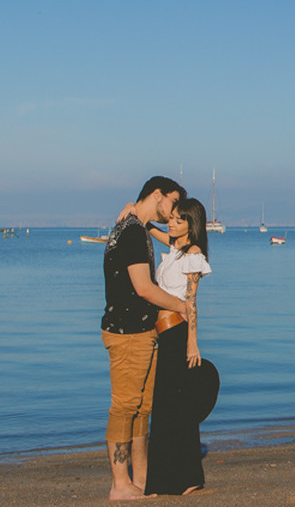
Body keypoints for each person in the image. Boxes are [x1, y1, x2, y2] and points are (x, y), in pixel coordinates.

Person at [102, 175, 188, 500]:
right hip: (126, 332)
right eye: (173, 201)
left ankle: (140, 479)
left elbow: (175, 244)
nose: (174, 209)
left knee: (141, 407)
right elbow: (144, 288)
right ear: (157, 194)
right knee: (125, 406)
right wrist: (182, 305)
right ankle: (119, 484)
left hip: (139, 331)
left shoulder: (133, 226)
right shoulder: (132, 232)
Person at [143, 197, 214, 495]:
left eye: (178, 220)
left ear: (191, 225)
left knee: (177, 409)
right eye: (170, 218)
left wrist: (192, 343)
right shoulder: (174, 250)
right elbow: (149, 228)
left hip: (178, 335)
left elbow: (191, 302)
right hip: (164, 335)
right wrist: (136, 213)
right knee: (164, 409)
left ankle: (189, 478)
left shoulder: (193, 254)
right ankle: (165, 479)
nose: (170, 223)